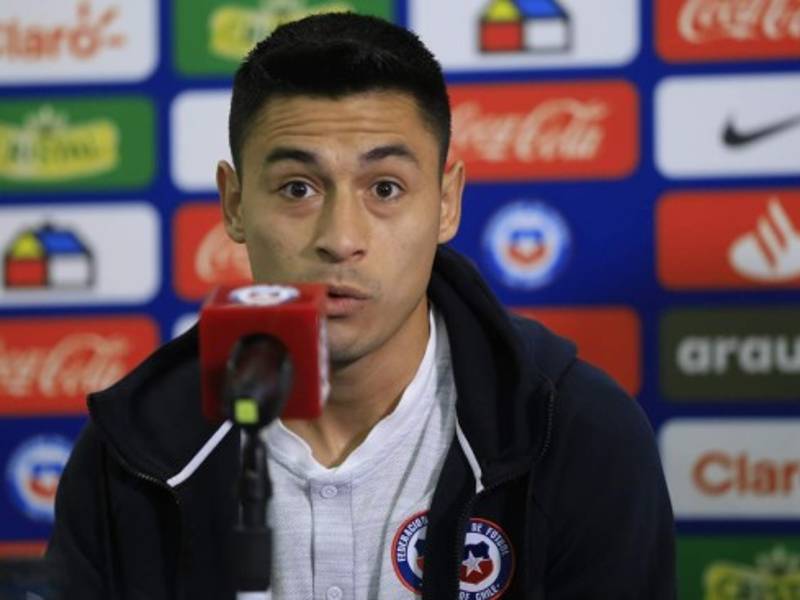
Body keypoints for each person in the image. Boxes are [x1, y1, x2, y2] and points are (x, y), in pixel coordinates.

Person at [46, 12, 676, 600]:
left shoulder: (573, 433)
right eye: (298, 188)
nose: (340, 238)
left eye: (385, 188)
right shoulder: (129, 452)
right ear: (235, 205)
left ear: (446, 203)